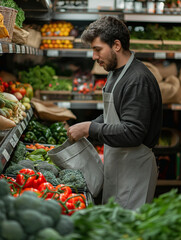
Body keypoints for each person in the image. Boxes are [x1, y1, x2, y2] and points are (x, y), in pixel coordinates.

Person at [67, 16, 162, 210]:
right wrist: (85, 128)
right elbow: (114, 116)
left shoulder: (137, 80)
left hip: (134, 172)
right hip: (119, 166)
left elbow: (133, 133)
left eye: (98, 49)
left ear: (116, 45)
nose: (94, 57)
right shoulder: (116, 73)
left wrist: (89, 128)